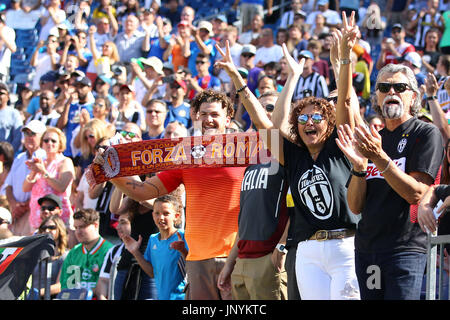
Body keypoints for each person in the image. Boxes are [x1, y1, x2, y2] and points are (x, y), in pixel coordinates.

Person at [227, 11, 363, 300]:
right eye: (302, 119)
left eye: (316, 118)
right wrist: (239, 83)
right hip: (308, 249)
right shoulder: (293, 155)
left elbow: (346, 100)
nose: (309, 123)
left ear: (329, 124)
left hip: (345, 246)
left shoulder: (340, 145)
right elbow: (265, 124)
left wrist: (345, 59)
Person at [94, 89, 246, 300]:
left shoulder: (245, 153)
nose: (208, 120)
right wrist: (110, 173)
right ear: (195, 117)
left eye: (214, 115)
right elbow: (143, 191)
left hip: (235, 256)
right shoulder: (186, 157)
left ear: (228, 119)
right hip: (197, 258)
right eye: (203, 114)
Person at [336, 63, 444, 299]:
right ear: (377, 96)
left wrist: (379, 157)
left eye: (400, 87)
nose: (391, 92)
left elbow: (417, 195)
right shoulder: (373, 140)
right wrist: (358, 168)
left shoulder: (425, 133)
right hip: (366, 249)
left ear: (413, 96)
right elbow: (355, 206)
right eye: (384, 87)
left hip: (404, 249)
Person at [213, 51, 289, 299]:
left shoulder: (289, 152)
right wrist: (231, 262)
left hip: (270, 258)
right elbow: (246, 219)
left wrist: (281, 249)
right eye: (260, 107)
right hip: (243, 259)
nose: (263, 112)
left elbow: (296, 209)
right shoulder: (253, 157)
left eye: (269, 107)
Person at [122, 194, 188, 300]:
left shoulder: (183, 236)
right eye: (157, 213)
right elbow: (152, 273)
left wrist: (183, 250)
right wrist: (135, 252)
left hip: (182, 297)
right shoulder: (153, 239)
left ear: (176, 216)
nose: (161, 217)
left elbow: (193, 268)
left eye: (166, 213)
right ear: (153, 215)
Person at [22, 127, 75, 235]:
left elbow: (61, 187)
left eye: (53, 140)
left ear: (60, 143)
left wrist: (43, 172)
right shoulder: (42, 162)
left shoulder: (65, 162)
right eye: (46, 140)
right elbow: (25, 188)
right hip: (38, 217)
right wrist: (34, 171)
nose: (49, 143)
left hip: (56, 218)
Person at [5, 120, 46, 236]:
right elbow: (8, 185)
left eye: (32, 134)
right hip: (16, 214)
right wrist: (14, 205)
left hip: (34, 213)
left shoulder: (45, 156)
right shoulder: (19, 158)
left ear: (42, 136)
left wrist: (25, 206)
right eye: (26, 133)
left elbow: (44, 186)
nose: (28, 137)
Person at [59, 209, 114, 293]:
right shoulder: (73, 252)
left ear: (96, 225)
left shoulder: (110, 251)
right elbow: (65, 287)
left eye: (82, 227)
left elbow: (109, 288)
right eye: (76, 228)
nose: (77, 232)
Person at [31, 215, 68, 299]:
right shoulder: (35, 255)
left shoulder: (65, 256)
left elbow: (60, 285)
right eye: (43, 228)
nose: (47, 230)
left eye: (52, 227)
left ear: (60, 230)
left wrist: (38, 293)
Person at [0, 82, 22, 152]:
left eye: (1, 93)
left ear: (8, 96)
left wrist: (9, 155)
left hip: (6, 156)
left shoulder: (14, 113)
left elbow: (18, 137)